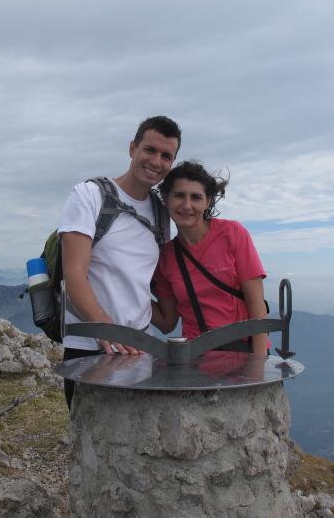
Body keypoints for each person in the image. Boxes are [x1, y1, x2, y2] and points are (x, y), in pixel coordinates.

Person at [58, 115, 181, 408]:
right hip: (90, 347)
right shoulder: (89, 195)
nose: (156, 161)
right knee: (92, 443)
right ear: (132, 148)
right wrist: (107, 328)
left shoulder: (162, 215)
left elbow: (140, 283)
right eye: (149, 150)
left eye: (166, 156)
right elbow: (73, 273)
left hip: (139, 350)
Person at [151, 161, 268, 379]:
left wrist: (258, 366)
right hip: (194, 363)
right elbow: (167, 323)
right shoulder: (166, 256)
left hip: (241, 357)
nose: (187, 205)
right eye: (179, 196)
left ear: (208, 202)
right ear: (166, 199)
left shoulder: (232, 234)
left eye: (196, 197)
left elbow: (257, 308)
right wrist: (127, 292)